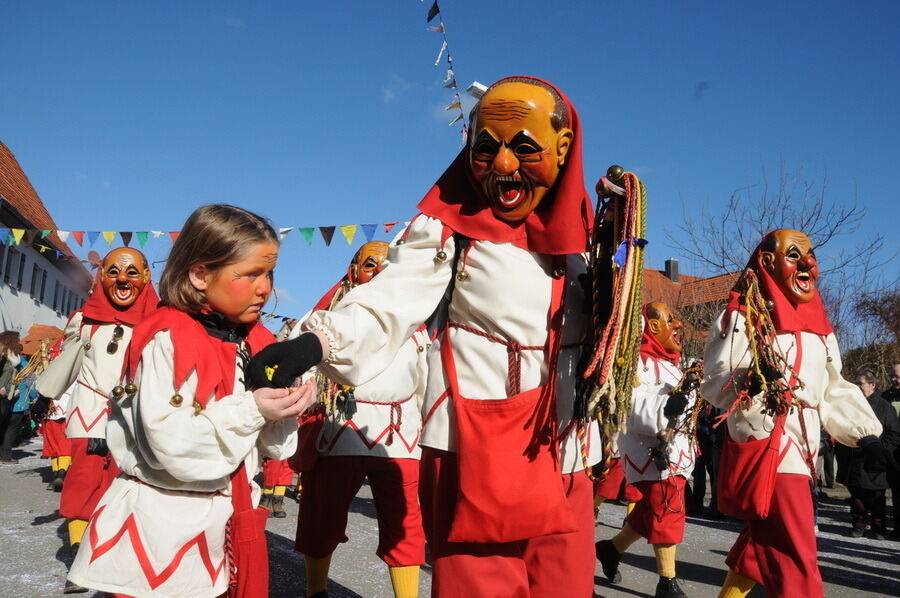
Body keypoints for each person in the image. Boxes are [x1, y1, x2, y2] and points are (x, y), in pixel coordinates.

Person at [251, 76, 603, 597]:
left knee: (564, 587)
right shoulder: (449, 228)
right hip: (475, 447)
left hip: (564, 450)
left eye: (525, 148)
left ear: (564, 146)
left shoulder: (589, 240)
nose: (503, 164)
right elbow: (387, 300)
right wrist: (313, 343)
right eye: (486, 148)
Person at [66, 204, 316, 597]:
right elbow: (173, 448)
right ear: (200, 274)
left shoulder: (255, 342)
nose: (265, 288)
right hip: (164, 530)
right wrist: (254, 408)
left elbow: (275, 450)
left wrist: (285, 406)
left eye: (269, 274)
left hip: (227, 521)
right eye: (250, 274)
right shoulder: (167, 339)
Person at [703, 229, 885, 598]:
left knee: (761, 547)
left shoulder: (821, 330)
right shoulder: (742, 315)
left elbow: (832, 387)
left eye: (810, 255)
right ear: (768, 262)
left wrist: (865, 434)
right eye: (793, 255)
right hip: (766, 441)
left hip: (805, 449)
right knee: (796, 555)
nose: (806, 263)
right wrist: (750, 378)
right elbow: (716, 380)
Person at [294, 240, 428, 598]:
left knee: (406, 526)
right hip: (340, 431)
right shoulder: (325, 320)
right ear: (353, 271)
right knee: (322, 518)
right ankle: (316, 592)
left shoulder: (415, 325)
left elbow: (426, 384)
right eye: (370, 265)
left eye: (387, 266)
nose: (379, 272)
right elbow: (303, 368)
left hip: (401, 437)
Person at [36, 247, 159, 594]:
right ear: (102, 275)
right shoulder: (84, 320)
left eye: (132, 273)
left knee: (130, 485)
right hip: (90, 412)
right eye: (114, 272)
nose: (123, 280)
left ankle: (119, 554)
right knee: (84, 479)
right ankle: (80, 556)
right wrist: (45, 395)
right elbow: (68, 361)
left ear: (146, 277)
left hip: (135, 417)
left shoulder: (159, 322)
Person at [596, 302, 696, 598]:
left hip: (676, 452)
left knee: (649, 512)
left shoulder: (672, 365)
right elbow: (631, 404)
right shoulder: (634, 363)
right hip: (651, 452)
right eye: (670, 320)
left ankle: (611, 549)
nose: (678, 326)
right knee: (667, 510)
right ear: (652, 327)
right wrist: (667, 406)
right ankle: (667, 582)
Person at [834, 368, 900, 539]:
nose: (857, 387)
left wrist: (879, 451)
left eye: (860, 383)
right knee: (857, 495)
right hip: (854, 458)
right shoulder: (850, 405)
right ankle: (859, 524)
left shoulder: (885, 407)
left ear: (872, 385)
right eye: (855, 383)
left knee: (877, 496)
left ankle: (878, 528)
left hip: (876, 460)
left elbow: (893, 434)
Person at [0, 331, 23, 464]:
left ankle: (3, 456)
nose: (19, 342)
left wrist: (15, 389)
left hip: (7, 397)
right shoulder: (3, 357)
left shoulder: (13, 358)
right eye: (17, 340)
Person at [887, 363, 900, 539]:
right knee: (896, 493)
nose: (895, 380)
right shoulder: (885, 397)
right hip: (893, 453)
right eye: (893, 376)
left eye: (898, 377)